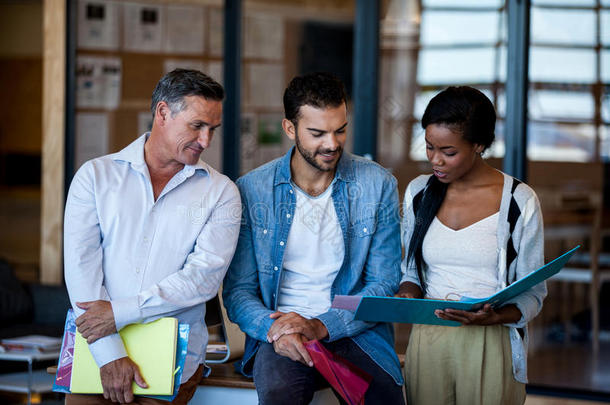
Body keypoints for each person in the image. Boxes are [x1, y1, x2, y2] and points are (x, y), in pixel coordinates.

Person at [222, 72, 405, 404]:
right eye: (318, 133)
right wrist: (273, 329)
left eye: (340, 130)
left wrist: (322, 325)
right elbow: (238, 292)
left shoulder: (377, 185)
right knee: (280, 396)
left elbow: (385, 282)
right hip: (283, 333)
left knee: (384, 399)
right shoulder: (252, 190)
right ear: (290, 129)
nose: (332, 144)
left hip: (354, 329)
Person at [64, 69, 241, 405]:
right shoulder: (95, 176)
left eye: (212, 130)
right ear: (162, 113)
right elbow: (81, 271)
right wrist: (109, 354)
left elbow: (201, 280)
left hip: (173, 355)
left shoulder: (221, 193)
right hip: (96, 347)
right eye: (196, 126)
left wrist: (119, 312)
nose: (205, 141)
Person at [396, 86, 546, 405]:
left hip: (490, 342)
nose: (436, 160)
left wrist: (494, 316)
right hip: (429, 336)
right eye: (429, 147)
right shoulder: (419, 193)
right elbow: (409, 268)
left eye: (448, 152)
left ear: (478, 145)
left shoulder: (519, 201)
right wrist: (407, 292)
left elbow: (534, 292)